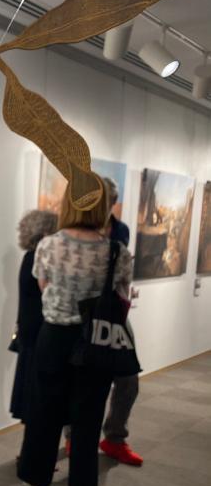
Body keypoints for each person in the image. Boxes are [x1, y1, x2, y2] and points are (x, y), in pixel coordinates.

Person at [17, 172, 133, 486]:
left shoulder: (47, 245)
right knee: (87, 420)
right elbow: (123, 298)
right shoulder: (115, 251)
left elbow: (43, 286)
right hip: (93, 340)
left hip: (52, 337)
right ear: (103, 205)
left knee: (44, 412)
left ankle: (33, 484)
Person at [62, 179, 143, 466]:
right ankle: (73, 434)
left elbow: (122, 276)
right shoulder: (71, 230)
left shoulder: (120, 230)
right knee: (78, 374)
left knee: (128, 378)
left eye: (109, 200)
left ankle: (114, 437)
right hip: (80, 312)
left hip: (112, 312)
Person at [9, 210, 57, 427]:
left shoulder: (30, 256)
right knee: (36, 395)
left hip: (30, 331)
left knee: (33, 392)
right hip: (38, 332)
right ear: (45, 232)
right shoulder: (37, 258)